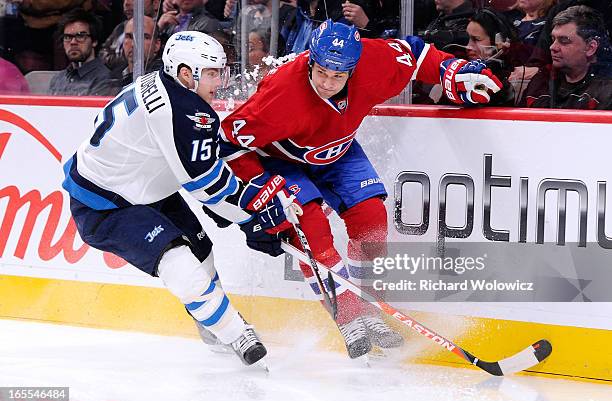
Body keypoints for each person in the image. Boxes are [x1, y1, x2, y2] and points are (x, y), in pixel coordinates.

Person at [218, 20, 502, 359]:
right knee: (312, 229)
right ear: (310, 61)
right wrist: (260, 188)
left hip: (339, 152)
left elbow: (415, 54)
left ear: (353, 71)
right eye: (321, 72)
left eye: (337, 76)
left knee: (371, 221)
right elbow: (229, 142)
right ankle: (349, 316)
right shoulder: (280, 93)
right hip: (281, 162)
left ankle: (370, 306)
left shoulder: (373, 62)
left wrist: (449, 70)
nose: (326, 83)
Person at [61, 31, 272, 366]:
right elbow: (207, 183)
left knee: (202, 252)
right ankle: (236, 332)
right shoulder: (183, 109)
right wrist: (250, 217)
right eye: (214, 73)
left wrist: (234, 204)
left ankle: (211, 323)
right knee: (178, 260)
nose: (222, 80)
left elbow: (191, 157)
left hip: (144, 185)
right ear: (186, 74)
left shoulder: (168, 85)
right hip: (105, 205)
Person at [521, 5, 612, 109]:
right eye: (553, 39)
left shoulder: (607, 90)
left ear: (590, 48)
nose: (552, 47)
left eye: (564, 41)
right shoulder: (541, 81)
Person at [49, 8, 114, 96]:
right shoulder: (57, 79)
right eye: (67, 37)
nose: (73, 42)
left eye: (80, 36)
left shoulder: (106, 80)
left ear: (94, 41)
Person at [98, 0, 161, 72]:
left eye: (143, 37)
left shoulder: (165, 28)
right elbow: (102, 53)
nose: (126, 3)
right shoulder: (120, 27)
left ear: (156, 3)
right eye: (129, 37)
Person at [110, 15, 163, 90]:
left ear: (157, 45)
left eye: (143, 37)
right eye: (129, 37)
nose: (133, 44)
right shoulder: (113, 77)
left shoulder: (162, 79)